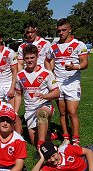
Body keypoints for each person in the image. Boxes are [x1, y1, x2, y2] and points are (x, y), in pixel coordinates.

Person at [45, 18, 88, 146]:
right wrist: (50, 74)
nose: (61, 33)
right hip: (59, 83)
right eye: (59, 31)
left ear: (70, 30)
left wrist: (75, 67)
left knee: (72, 112)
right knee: (62, 112)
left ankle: (75, 139)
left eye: (64, 30)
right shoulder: (54, 47)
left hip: (72, 82)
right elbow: (47, 60)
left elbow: (85, 63)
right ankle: (66, 138)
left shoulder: (79, 45)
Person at [14, 45, 59, 150]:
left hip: (45, 107)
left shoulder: (47, 73)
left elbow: (57, 93)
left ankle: (41, 147)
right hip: (29, 111)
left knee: (41, 114)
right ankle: (50, 135)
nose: (29, 60)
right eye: (27, 58)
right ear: (24, 59)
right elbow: (19, 94)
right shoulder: (20, 75)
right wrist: (15, 113)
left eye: (32, 57)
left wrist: (45, 96)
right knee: (34, 140)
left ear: (37, 57)